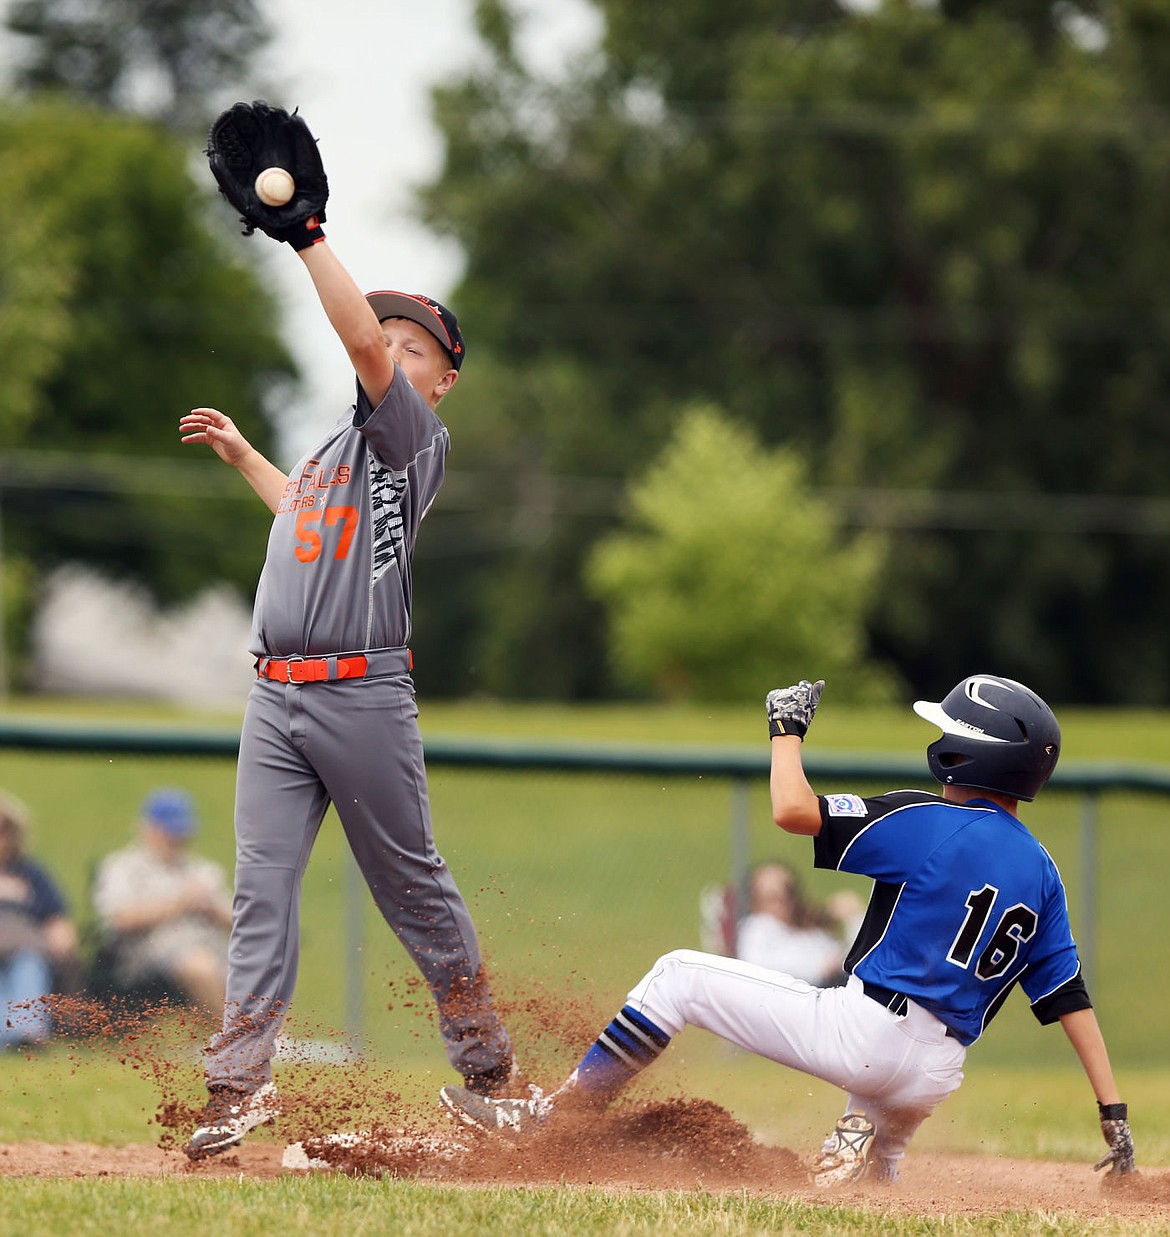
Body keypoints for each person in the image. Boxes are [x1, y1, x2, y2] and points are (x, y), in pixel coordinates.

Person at [437, 675, 1135, 1187]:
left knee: (679, 975)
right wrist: (1113, 1112)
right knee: (863, 1190)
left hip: (866, 1033)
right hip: (934, 1074)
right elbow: (1067, 997)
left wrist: (785, 731)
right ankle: (867, 1153)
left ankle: (554, 1119)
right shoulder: (1043, 872)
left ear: (962, 753)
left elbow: (792, 809)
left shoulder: (928, 820)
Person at [177, 104, 513, 1160]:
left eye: (418, 350)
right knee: (258, 893)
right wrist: (246, 461)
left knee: (412, 885)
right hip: (276, 695)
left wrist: (309, 237)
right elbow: (303, 522)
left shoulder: (411, 437)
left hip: (362, 694)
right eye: (391, 343)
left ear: (442, 379)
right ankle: (236, 1087)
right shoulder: (335, 456)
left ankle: (489, 1071)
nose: (395, 355)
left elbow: (357, 336)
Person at [92, 788, 232, 1015]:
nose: (176, 839)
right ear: (148, 828)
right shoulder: (122, 867)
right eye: (168, 832)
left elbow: (238, 920)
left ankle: (275, 1040)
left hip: (209, 945)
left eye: (181, 832)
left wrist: (213, 908)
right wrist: (179, 903)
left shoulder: (202, 870)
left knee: (261, 968)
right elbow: (120, 919)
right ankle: (232, 1040)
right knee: (201, 966)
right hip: (147, 954)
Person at [0, 792, 79, 1049]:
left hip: (25, 949)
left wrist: (61, 936)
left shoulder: (31, 873)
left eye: (4, 830)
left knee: (29, 965)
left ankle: (25, 1034)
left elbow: (57, 919)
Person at [734, 860, 863, 986]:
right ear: (755, 901)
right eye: (773, 896)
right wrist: (819, 968)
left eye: (788, 892)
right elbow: (754, 967)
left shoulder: (811, 932)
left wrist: (853, 918)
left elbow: (858, 960)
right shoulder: (758, 927)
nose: (783, 901)